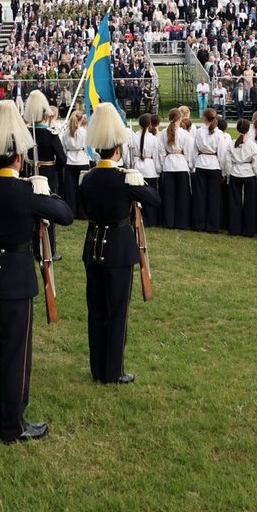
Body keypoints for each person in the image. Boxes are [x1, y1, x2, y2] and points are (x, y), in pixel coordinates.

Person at [0, 100, 73, 442]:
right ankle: (12, 424)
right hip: (14, 277)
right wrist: (41, 188)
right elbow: (65, 214)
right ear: (18, 158)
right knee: (15, 354)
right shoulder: (25, 191)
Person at [78, 102, 161, 384]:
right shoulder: (124, 179)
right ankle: (112, 370)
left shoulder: (87, 179)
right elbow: (154, 199)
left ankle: (97, 366)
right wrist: (134, 180)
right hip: (117, 249)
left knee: (96, 311)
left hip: (93, 246)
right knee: (116, 312)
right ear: (117, 150)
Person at [23, 90, 67, 256]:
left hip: (29, 174)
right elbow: (62, 158)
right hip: (48, 175)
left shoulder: (25, 132)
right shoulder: (50, 134)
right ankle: (49, 250)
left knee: (30, 213)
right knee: (49, 213)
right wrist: (55, 169)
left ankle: (33, 248)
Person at [223, 118, 257, 236]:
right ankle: (248, 229)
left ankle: (234, 228)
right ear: (248, 130)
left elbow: (227, 162)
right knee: (250, 202)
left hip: (235, 173)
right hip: (249, 173)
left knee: (235, 202)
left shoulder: (231, 144)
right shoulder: (252, 145)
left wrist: (229, 175)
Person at [191, 108, 227, 233]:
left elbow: (194, 150)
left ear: (205, 118)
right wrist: (223, 171)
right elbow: (222, 153)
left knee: (200, 196)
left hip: (202, 164)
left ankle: (199, 223)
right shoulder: (217, 134)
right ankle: (212, 225)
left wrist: (194, 164)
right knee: (213, 197)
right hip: (213, 165)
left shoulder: (202, 132)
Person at [158, 107, 194, 229]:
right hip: (181, 165)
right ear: (180, 118)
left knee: (169, 195)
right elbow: (188, 152)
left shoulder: (163, 132)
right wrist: (189, 165)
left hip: (169, 165)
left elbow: (161, 151)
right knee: (182, 196)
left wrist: (163, 164)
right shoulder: (184, 134)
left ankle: (168, 221)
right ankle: (181, 222)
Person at [124, 113, 163, 227]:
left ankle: (135, 217)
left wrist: (129, 166)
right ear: (150, 124)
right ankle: (150, 219)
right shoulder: (153, 139)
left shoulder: (133, 137)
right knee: (149, 195)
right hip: (150, 169)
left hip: (136, 167)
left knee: (136, 195)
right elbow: (156, 155)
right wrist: (157, 169)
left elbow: (128, 154)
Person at [60, 109, 90, 219]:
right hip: (82, 159)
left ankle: (71, 211)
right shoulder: (83, 131)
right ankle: (82, 213)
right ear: (82, 119)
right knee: (82, 188)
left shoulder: (66, 131)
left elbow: (63, 147)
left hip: (69, 160)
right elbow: (88, 146)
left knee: (70, 189)